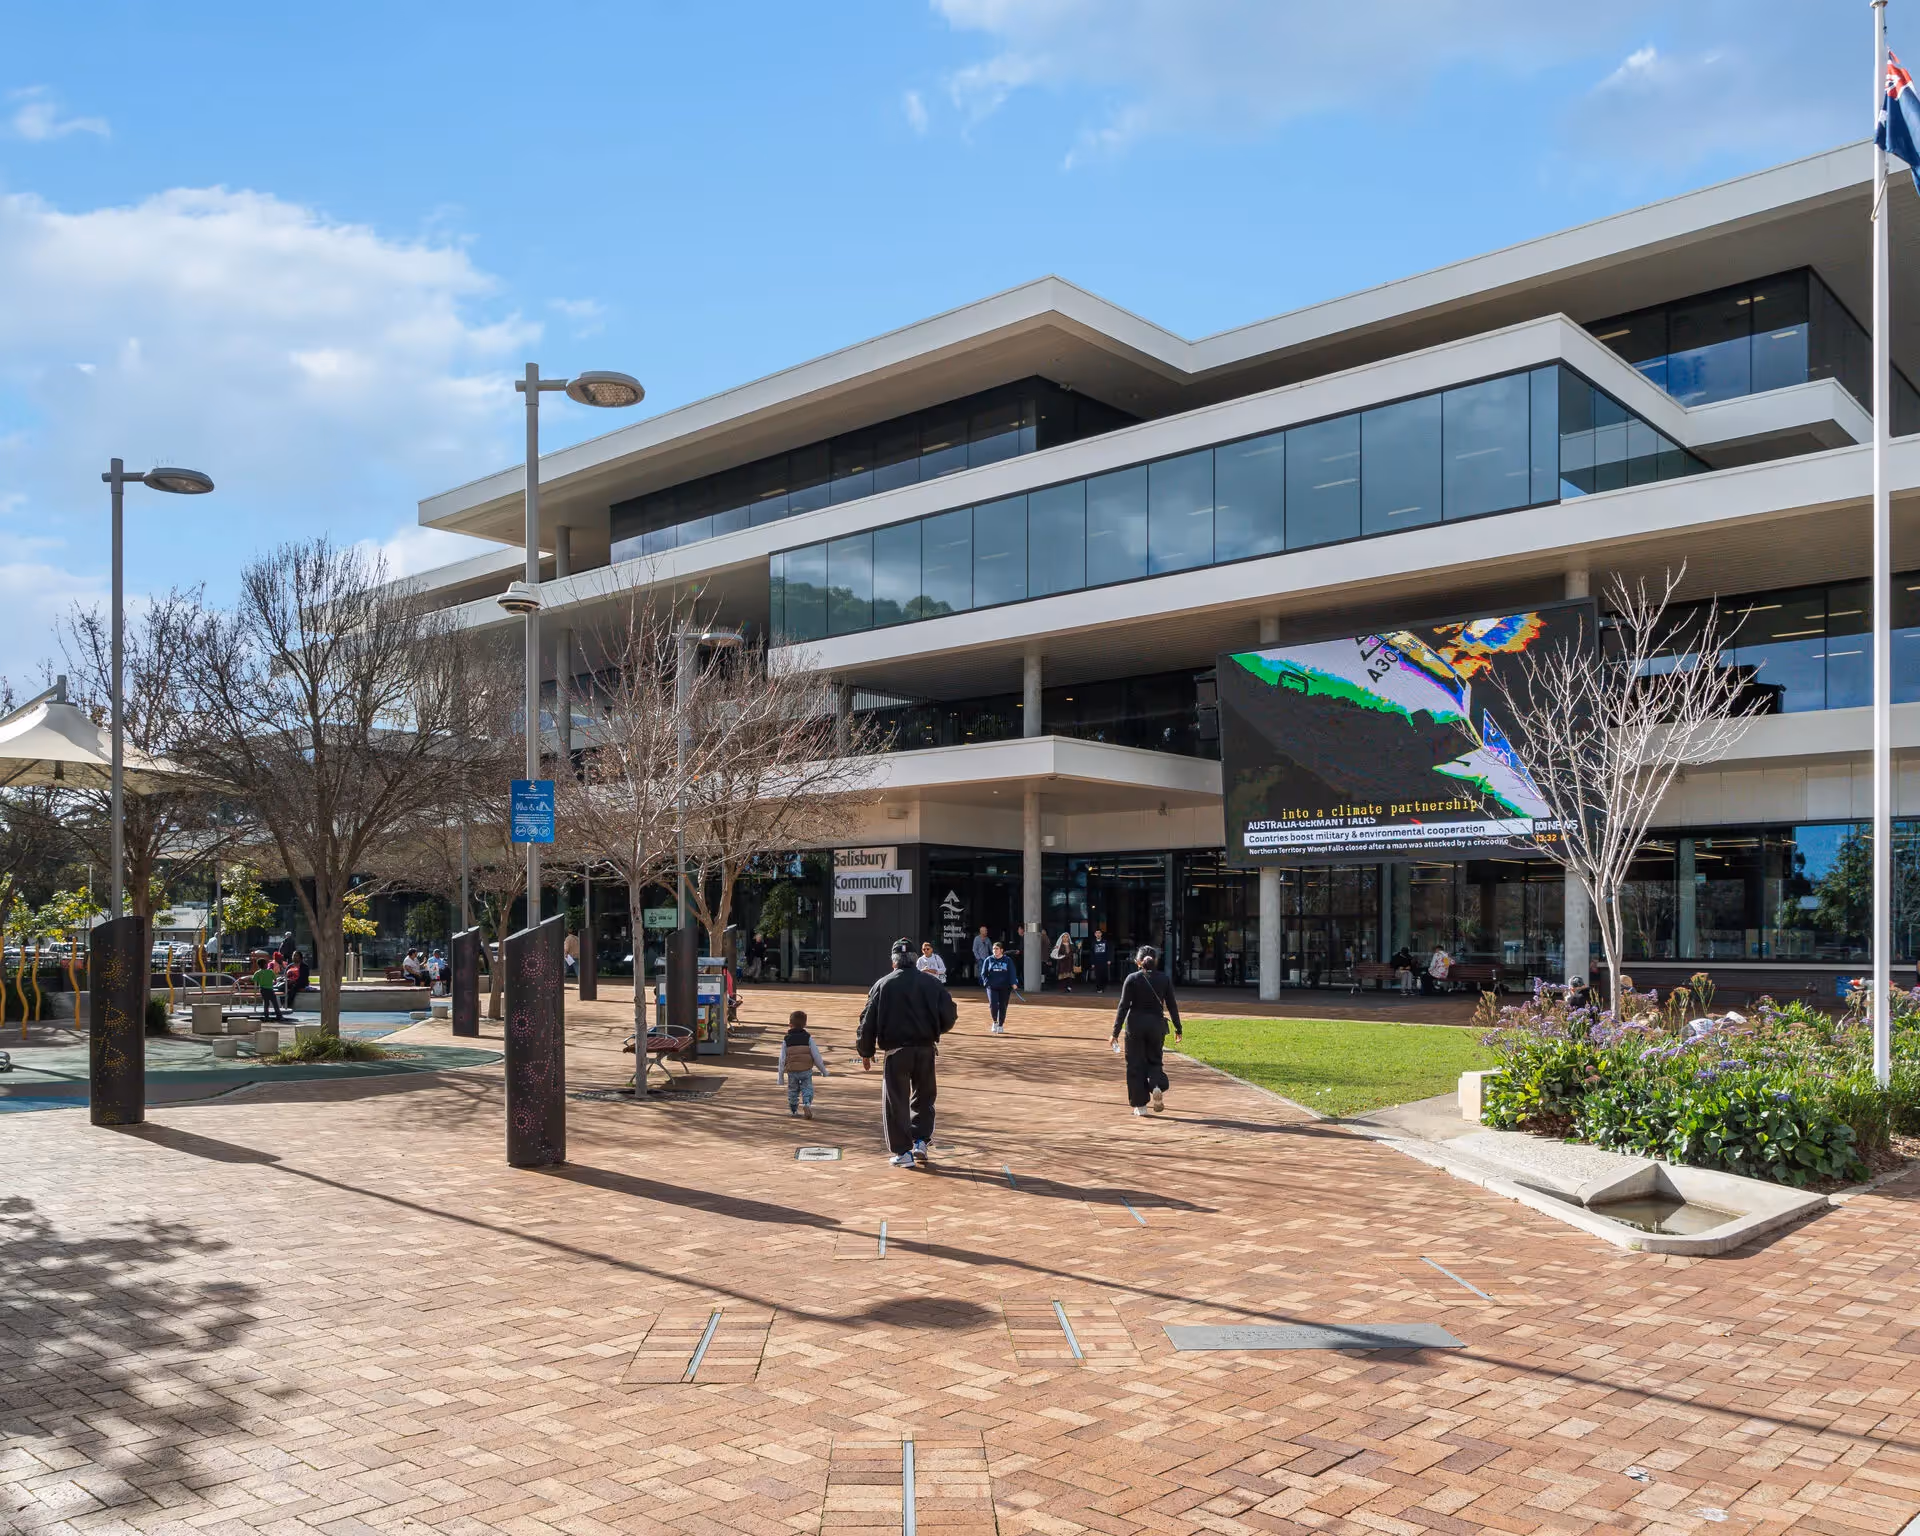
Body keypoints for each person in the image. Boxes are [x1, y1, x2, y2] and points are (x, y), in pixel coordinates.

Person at [856, 938, 958, 1167]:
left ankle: (904, 1152)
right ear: (915, 960)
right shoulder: (932, 984)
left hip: (896, 1051)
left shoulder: (882, 985)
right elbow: (950, 1016)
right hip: (925, 1048)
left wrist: (866, 1050)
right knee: (924, 1096)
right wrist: (933, 1030)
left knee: (896, 1101)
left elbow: (867, 1021)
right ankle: (921, 1141)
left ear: (893, 962)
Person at [1111, 945, 1181, 1117]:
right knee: (1155, 1060)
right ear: (1155, 961)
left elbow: (1123, 1007)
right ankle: (1156, 1085)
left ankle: (1140, 1105)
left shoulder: (1132, 979)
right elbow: (1172, 1005)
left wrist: (1115, 1033)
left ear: (1138, 962)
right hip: (1156, 1026)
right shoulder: (1164, 979)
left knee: (1135, 1064)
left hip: (1135, 1026)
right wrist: (1178, 1028)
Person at [777, 1009, 828, 1119]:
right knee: (807, 1088)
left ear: (790, 1024)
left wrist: (780, 1077)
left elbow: (782, 1059)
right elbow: (816, 1056)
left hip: (792, 1070)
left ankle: (794, 1110)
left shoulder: (786, 1040)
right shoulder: (808, 1038)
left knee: (793, 1090)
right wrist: (823, 1071)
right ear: (805, 1024)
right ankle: (807, 1104)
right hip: (806, 1069)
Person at [979, 940, 1017, 1034]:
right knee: (993, 1004)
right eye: (993, 949)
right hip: (992, 987)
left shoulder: (1008, 960)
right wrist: (987, 983)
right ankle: (995, 1022)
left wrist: (1013, 983)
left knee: (1003, 1006)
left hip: (1005, 987)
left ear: (1001, 950)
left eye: (997, 949)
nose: (995, 950)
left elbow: (1012, 972)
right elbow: (983, 973)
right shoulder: (988, 960)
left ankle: (1000, 1025)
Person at [252, 956, 284, 1021]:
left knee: (266, 1003)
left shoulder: (258, 973)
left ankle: (266, 1017)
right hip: (270, 990)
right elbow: (275, 980)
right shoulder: (270, 971)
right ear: (265, 965)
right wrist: (273, 982)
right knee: (275, 1003)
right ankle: (279, 1016)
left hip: (263, 989)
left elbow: (254, 980)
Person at [1087, 926, 1112, 994]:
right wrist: (1092, 963)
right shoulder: (1093, 942)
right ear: (1095, 934)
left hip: (1104, 961)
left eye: (1099, 933)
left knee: (1104, 975)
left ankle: (1103, 987)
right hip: (1096, 961)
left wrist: (1109, 959)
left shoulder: (1105, 942)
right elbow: (1091, 953)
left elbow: (1108, 951)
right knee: (1097, 975)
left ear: (1101, 934)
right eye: (1096, 933)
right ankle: (1099, 988)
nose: (1098, 934)